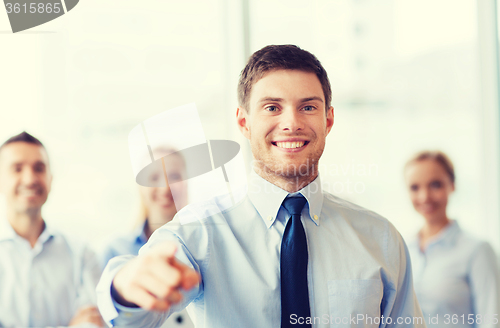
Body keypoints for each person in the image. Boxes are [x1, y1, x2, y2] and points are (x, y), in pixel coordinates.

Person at [97, 44, 425, 327]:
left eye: (308, 107)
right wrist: (124, 287)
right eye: (272, 107)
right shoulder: (200, 232)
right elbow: (132, 319)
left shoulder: (380, 238)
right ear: (243, 122)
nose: (291, 123)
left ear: (328, 120)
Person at [0, 131, 104, 328]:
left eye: (39, 168)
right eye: (17, 169)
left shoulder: (82, 255)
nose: (30, 179)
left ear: (50, 178)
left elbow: (92, 323)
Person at [404, 150, 500, 328]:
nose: (424, 196)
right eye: (415, 187)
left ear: (452, 185)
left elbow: (491, 320)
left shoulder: (478, 250)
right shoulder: (402, 249)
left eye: (435, 185)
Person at [100, 147, 193, 327]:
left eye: (174, 176)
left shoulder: (205, 244)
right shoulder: (114, 250)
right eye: (153, 178)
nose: (165, 188)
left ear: (186, 183)